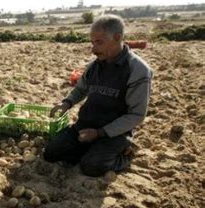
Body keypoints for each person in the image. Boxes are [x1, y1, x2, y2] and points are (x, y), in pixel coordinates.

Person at [43, 15, 153, 177]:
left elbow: (136, 115)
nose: (93, 49)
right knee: (51, 153)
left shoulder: (138, 70)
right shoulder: (95, 65)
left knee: (91, 167)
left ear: (117, 38)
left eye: (99, 42)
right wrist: (66, 103)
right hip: (85, 126)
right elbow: (81, 89)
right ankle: (91, 150)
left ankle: (126, 154)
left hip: (114, 133)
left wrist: (99, 133)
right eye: (92, 43)